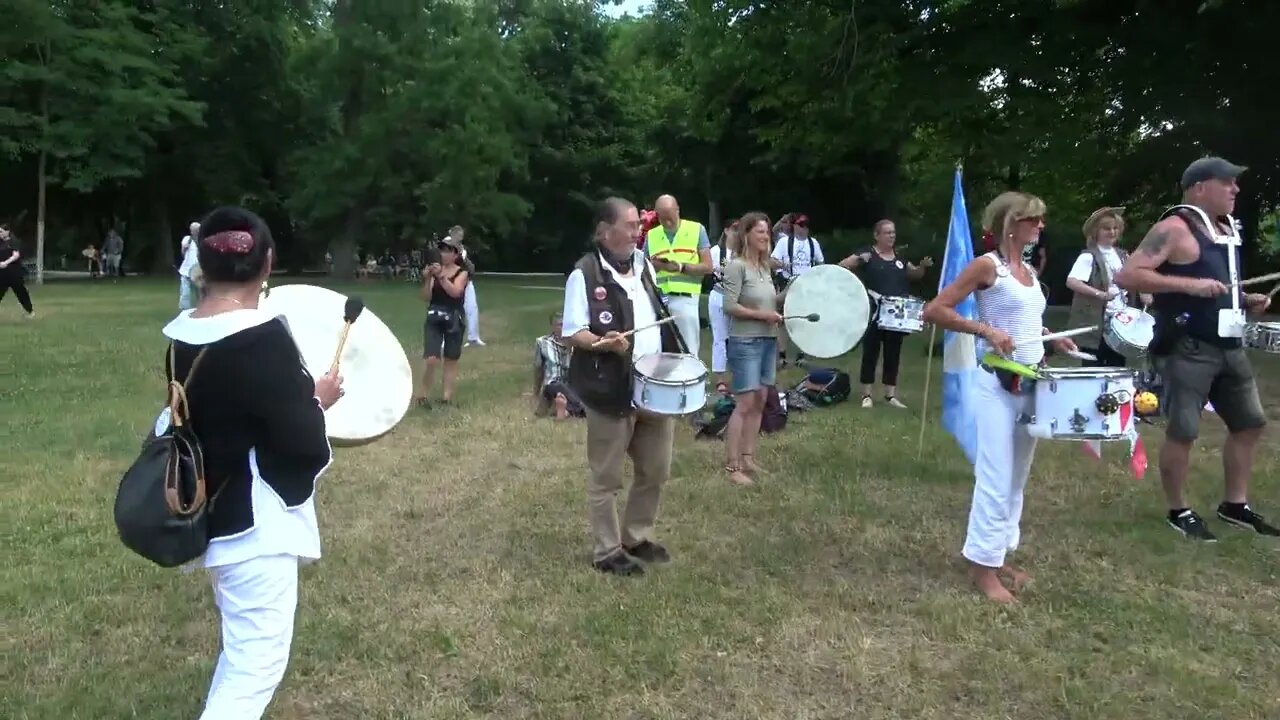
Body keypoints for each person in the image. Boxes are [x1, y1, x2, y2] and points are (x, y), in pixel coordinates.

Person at [159, 206, 342, 719]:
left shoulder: (182, 336)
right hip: (255, 526)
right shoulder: (263, 339)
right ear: (268, 264)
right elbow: (301, 439)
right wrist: (319, 402)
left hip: (214, 512)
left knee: (243, 655)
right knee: (253, 669)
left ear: (201, 266)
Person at [922, 191, 1078, 604]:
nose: (1041, 226)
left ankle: (998, 554)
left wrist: (1050, 336)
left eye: (1041, 220)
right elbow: (934, 310)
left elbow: (1026, 321)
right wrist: (985, 332)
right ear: (1012, 222)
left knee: (1017, 477)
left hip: (1032, 383)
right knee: (995, 475)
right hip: (996, 385)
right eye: (1034, 219)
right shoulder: (986, 266)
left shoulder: (1026, 269)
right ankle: (982, 569)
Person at [1114, 156, 1277, 541]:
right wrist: (1190, 287)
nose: (1235, 189)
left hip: (1230, 345)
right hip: (1189, 347)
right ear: (1200, 187)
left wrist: (1245, 299)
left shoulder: (1227, 229)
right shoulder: (1174, 227)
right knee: (1184, 430)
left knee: (1250, 423)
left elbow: (1220, 283)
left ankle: (1235, 505)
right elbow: (1129, 275)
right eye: (1227, 183)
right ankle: (1178, 510)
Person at [562, 196, 685, 576]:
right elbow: (572, 333)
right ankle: (606, 550)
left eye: (638, 225)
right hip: (610, 389)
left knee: (655, 469)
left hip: (653, 387)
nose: (638, 231)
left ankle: (636, 536)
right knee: (606, 477)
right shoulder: (583, 274)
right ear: (604, 231)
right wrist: (603, 342)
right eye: (630, 225)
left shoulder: (643, 264)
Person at [839, 219, 934, 408]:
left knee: (893, 353)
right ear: (877, 235)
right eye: (887, 232)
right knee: (871, 351)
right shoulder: (868, 254)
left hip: (896, 315)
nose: (892, 236)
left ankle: (890, 395)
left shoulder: (900, 258)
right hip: (874, 312)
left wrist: (922, 267)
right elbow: (842, 266)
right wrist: (858, 264)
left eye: (893, 232)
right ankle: (867, 394)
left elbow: (914, 274)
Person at [720, 212, 782, 487]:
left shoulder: (765, 267)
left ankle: (748, 457)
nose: (765, 236)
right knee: (744, 403)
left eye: (767, 232)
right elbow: (730, 306)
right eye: (759, 232)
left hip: (768, 339)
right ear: (746, 235)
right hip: (745, 341)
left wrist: (793, 294)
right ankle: (732, 465)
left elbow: (769, 302)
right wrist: (762, 316)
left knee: (760, 399)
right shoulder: (737, 267)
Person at [1064, 207, 1153, 367]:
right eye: (1107, 228)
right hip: (1096, 323)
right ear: (1096, 231)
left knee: (1117, 367)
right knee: (1093, 369)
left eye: (1115, 228)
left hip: (1120, 323)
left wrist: (1144, 291)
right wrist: (1100, 294)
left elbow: (1135, 277)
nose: (1112, 232)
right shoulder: (1088, 256)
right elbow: (1072, 282)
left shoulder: (1123, 255)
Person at [645, 194, 712, 359]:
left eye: (670, 217)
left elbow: (708, 267)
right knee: (660, 351)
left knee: (687, 351)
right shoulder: (651, 235)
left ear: (678, 210)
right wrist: (654, 265)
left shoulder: (696, 229)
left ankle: (691, 383)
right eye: (662, 218)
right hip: (659, 301)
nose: (667, 222)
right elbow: (643, 268)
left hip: (685, 299)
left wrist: (681, 267)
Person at [417, 236, 470, 408]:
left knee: (450, 358)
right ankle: (422, 395)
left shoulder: (462, 273)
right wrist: (427, 278)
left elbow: (455, 292)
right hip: (434, 317)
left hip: (454, 318)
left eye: (448, 250)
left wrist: (441, 276)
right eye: (442, 250)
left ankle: (446, 397)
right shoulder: (435, 271)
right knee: (431, 358)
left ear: (455, 254)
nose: (443, 254)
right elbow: (426, 297)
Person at [770, 214, 825, 367]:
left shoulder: (813, 243)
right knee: (781, 318)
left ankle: (802, 353)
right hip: (788, 282)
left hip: (807, 285)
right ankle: (782, 354)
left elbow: (820, 263)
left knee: (805, 319)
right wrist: (782, 265)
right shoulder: (784, 242)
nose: (803, 228)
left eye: (805, 225)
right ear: (793, 226)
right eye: (800, 225)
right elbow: (772, 261)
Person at [707, 221, 740, 393]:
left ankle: (738, 375)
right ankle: (720, 378)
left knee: (737, 338)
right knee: (720, 337)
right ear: (726, 230)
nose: (737, 233)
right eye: (734, 229)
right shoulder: (715, 251)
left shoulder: (743, 253)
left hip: (738, 298)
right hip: (719, 294)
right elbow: (708, 270)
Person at [533, 312, 583, 420]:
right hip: (553, 385)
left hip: (572, 386)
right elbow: (538, 369)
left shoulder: (577, 343)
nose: (563, 328)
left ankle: (565, 411)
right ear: (553, 327)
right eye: (560, 325)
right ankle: (574, 409)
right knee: (558, 386)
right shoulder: (542, 343)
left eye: (565, 325)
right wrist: (536, 392)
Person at [450, 225, 487, 347]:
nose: (460, 238)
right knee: (450, 310)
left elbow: (470, 267)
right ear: (453, 235)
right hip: (453, 282)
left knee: (472, 308)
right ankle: (447, 339)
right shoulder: (448, 248)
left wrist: (466, 262)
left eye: (461, 236)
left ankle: (473, 338)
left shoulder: (462, 249)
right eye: (459, 235)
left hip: (467, 282)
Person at [0, 224, 34, 318]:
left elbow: (16, 255)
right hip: (2, 274)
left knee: (21, 292)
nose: (0, 234)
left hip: (14, 273)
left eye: (1, 231)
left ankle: (30, 311)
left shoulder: (14, 241)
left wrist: (5, 263)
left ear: (7, 232)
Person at [178, 221, 202, 310]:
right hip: (186, 270)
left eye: (197, 230)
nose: (195, 231)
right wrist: (184, 248)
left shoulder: (202, 240)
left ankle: (201, 308)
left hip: (199, 271)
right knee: (185, 293)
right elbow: (183, 253)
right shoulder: (187, 239)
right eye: (194, 230)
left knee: (200, 292)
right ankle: (184, 310)